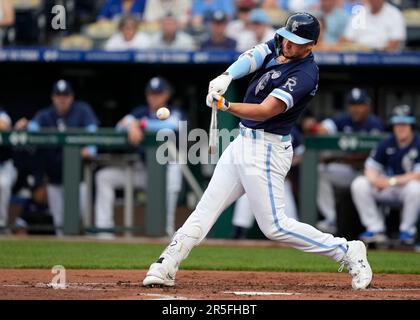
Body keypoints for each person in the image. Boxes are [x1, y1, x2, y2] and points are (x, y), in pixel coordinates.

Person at [143, 13, 373, 290]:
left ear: (311, 45)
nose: (288, 44)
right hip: (242, 141)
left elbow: (267, 111)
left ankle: (347, 250)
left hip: (267, 148)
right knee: (205, 210)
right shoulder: (280, 44)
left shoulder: (305, 74)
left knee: (275, 226)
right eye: (287, 37)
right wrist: (226, 76)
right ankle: (166, 264)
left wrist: (225, 106)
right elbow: (253, 56)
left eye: (296, 41)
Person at [94, 77, 183, 237]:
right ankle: (104, 231)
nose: (154, 97)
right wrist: (130, 126)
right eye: (151, 93)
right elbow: (119, 126)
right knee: (104, 177)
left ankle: (166, 231)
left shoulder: (175, 112)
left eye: (158, 93)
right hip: (144, 170)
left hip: (166, 172)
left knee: (174, 171)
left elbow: (173, 125)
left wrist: (140, 125)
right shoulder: (140, 112)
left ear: (166, 95)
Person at [14, 80, 99, 236]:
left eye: (65, 95)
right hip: (54, 179)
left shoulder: (82, 110)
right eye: (59, 95)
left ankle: (85, 256)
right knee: (60, 224)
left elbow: (93, 132)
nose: (62, 99)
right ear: (53, 97)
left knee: (82, 221)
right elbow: (33, 128)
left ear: (71, 97)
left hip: (78, 179)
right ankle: (68, 259)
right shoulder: (45, 115)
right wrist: (25, 126)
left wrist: (90, 149)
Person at [310, 88, 384, 234]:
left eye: (360, 104)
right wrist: (318, 127)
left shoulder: (374, 123)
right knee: (320, 171)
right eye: (353, 104)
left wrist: (339, 158)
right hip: (350, 171)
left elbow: (368, 154)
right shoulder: (344, 119)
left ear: (367, 106)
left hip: (368, 174)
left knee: (363, 186)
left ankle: (376, 229)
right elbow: (323, 128)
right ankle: (331, 218)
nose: (356, 109)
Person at [351, 104, 420, 246]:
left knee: (416, 188)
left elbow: (417, 175)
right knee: (360, 183)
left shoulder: (418, 143)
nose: (400, 128)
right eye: (398, 124)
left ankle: (407, 231)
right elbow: (369, 168)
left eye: (405, 124)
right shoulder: (386, 143)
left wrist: (391, 181)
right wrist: (376, 180)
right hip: (387, 188)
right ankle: (375, 228)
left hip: (405, 189)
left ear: (411, 126)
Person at [231, 126, 304, 239]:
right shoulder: (255, 126)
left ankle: (294, 239)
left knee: (288, 211)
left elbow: (299, 155)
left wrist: (284, 167)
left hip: (278, 177)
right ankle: (239, 234)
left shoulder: (291, 130)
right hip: (256, 174)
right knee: (246, 199)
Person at [340, 0, 406, 51]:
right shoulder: (359, 13)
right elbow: (346, 39)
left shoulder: (394, 14)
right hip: (359, 56)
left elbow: (395, 43)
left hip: (385, 59)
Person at [0, 107, 17, 233]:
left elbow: (3, 124)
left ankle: (2, 224)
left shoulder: (2, 112)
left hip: (4, 165)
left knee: (2, 184)